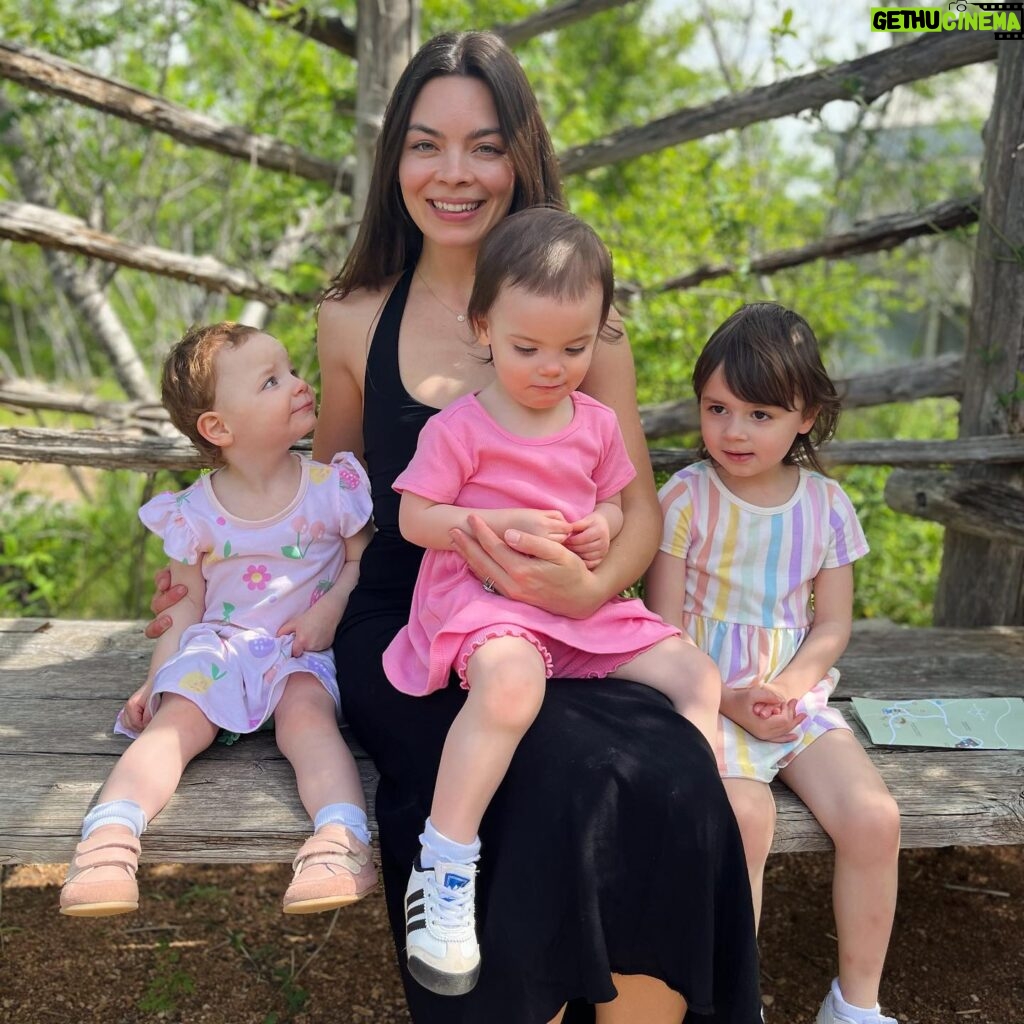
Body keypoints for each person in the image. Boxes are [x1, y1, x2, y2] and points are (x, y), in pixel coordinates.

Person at [150, 31, 761, 1024]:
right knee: (555, 769)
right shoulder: (353, 318)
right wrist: (208, 592)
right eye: (426, 144)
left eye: (484, 145)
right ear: (395, 161)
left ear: (520, 156)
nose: (455, 173)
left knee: (665, 765)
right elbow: (337, 500)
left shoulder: (589, 325)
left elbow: (636, 503)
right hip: (416, 617)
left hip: (574, 612)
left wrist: (593, 586)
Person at [382, 207, 722, 996]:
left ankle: (684, 809)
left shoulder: (596, 424)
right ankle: (446, 864)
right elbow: (412, 517)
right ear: (484, 329)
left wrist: (604, 528)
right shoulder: (461, 428)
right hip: (487, 597)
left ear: (600, 331)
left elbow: (617, 503)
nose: (551, 367)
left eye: (574, 348)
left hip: (577, 604)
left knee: (696, 678)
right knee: (511, 688)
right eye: (528, 347)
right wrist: (487, 520)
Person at [63, 322, 377, 918]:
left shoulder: (331, 488)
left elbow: (364, 562)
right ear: (218, 427)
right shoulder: (193, 512)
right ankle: (108, 841)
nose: (298, 384)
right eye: (270, 381)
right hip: (223, 647)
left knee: (307, 718)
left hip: (302, 647)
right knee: (174, 721)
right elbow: (185, 604)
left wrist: (329, 610)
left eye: (289, 369)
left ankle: (341, 841)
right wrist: (159, 676)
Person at [645, 303, 901, 1024]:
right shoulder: (686, 497)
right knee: (745, 817)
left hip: (792, 698)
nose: (732, 431)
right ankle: (733, 1005)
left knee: (875, 818)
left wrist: (789, 688)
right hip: (704, 693)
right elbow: (661, 627)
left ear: (806, 414)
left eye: (760, 414)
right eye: (717, 408)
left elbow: (833, 623)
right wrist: (725, 696)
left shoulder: (825, 504)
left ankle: (855, 1004)